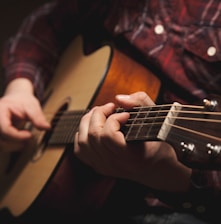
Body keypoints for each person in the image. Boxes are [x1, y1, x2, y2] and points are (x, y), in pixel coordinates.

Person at [0, 0, 221, 223]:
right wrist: (19, 89)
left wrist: (164, 170)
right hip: (68, 191)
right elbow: (43, 25)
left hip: (171, 203)